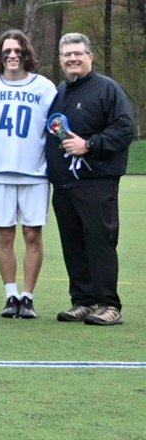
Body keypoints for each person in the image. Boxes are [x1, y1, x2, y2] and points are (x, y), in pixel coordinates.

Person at [45, 33, 136, 325]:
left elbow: (125, 130)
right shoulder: (59, 91)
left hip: (96, 180)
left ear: (90, 56)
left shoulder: (108, 89)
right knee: (73, 244)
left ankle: (109, 304)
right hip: (64, 183)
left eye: (78, 53)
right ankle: (83, 301)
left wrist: (89, 144)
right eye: (67, 54)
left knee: (100, 242)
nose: (72, 58)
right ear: (60, 59)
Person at [0, 29, 54, 319]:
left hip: (35, 173)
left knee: (32, 234)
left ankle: (28, 297)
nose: (12, 55)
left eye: (18, 50)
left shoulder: (44, 88)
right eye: (7, 51)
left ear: (26, 53)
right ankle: (11, 294)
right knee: (5, 234)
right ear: (0, 54)